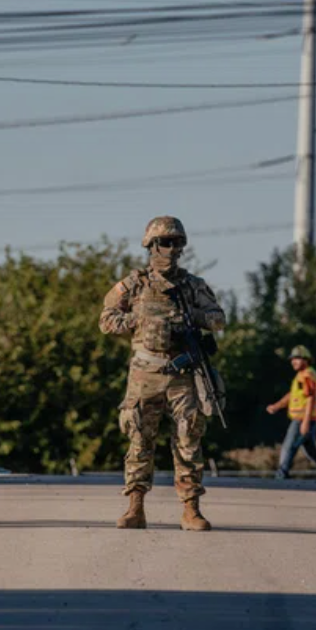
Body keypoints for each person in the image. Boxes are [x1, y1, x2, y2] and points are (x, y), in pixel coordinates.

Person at [100, 216, 226, 531]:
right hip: (145, 373)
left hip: (183, 373)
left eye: (176, 243)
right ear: (152, 246)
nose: (171, 249)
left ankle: (191, 509)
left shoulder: (192, 286)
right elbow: (106, 320)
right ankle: (135, 507)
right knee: (139, 437)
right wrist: (137, 318)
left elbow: (218, 318)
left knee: (188, 438)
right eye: (165, 243)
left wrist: (190, 317)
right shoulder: (134, 284)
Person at [267, 345, 316, 481]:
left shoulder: (307, 375)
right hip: (307, 419)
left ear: (305, 360)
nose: (293, 362)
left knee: (289, 446)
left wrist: (306, 421)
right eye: (292, 360)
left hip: (303, 419)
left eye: (296, 359)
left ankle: (281, 474)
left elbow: (310, 397)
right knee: (311, 451)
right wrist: (277, 406)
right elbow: (292, 395)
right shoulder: (302, 376)